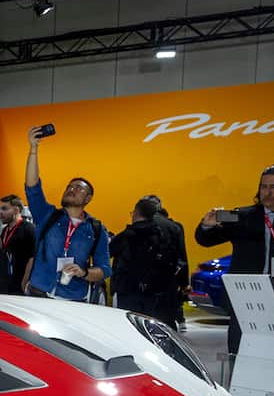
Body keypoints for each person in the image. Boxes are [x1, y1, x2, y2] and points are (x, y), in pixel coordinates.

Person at [197, 163, 274, 396]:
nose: (267, 192)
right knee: (240, 357)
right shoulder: (243, 216)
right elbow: (205, 240)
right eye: (264, 186)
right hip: (249, 299)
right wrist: (205, 225)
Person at [23, 126, 111, 301]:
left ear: (88, 198)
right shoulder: (47, 215)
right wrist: (33, 149)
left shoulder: (96, 229)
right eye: (69, 187)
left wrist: (84, 272)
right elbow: (32, 187)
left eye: (78, 188)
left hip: (73, 299)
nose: (72, 190)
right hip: (38, 293)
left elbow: (104, 269)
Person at [109, 198, 181, 326]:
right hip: (153, 288)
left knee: (129, 324)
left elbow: (109, 251)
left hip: (127, 288)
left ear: (136, 213)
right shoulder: (161, 235)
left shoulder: (127, 235)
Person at [142, 194, 189, 330]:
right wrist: (184, 283)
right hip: (168, 279)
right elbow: (182, 256)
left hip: (144, 280)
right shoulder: (175, 226)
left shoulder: (140, 225)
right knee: (167, 319)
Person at [0, 194, 35, 294]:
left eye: (4, 209)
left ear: (16, 210)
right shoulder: (4, 230)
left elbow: (32, 258)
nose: (1, 213)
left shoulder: (28, 229)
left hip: (19, 283)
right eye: (0, 209)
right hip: (5, 282)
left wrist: (25, 281)